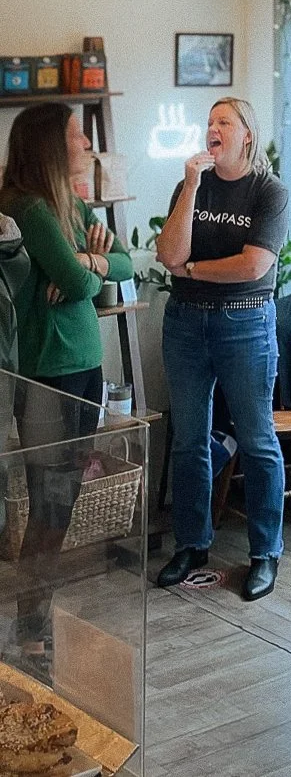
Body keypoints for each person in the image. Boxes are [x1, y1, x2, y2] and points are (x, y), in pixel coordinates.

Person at [0, 103, 133, 668]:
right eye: (77, 133)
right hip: (48, 375)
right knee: (51, 507)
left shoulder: (69, 204)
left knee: (63, 502)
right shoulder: (27, 207)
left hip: (83, 368)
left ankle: (34, 622)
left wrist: (91, 262)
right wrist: (85, 267)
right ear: (51, 145)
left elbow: (126, 262)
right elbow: (76, 278)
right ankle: (30, 631)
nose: (86, 142)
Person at [155, 98, 289, 602]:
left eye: (223, 122)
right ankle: (192, 545)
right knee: (188, 438)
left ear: (246, 135)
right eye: (209, 122)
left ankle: (264, 553)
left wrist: (193, 272)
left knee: (257, 439)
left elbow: (253, 266)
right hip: (186, 323)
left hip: (245, 322)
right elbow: (169, 254)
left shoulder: (268, 192)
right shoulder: (192, 185)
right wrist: (190, 186)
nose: (212, 129)